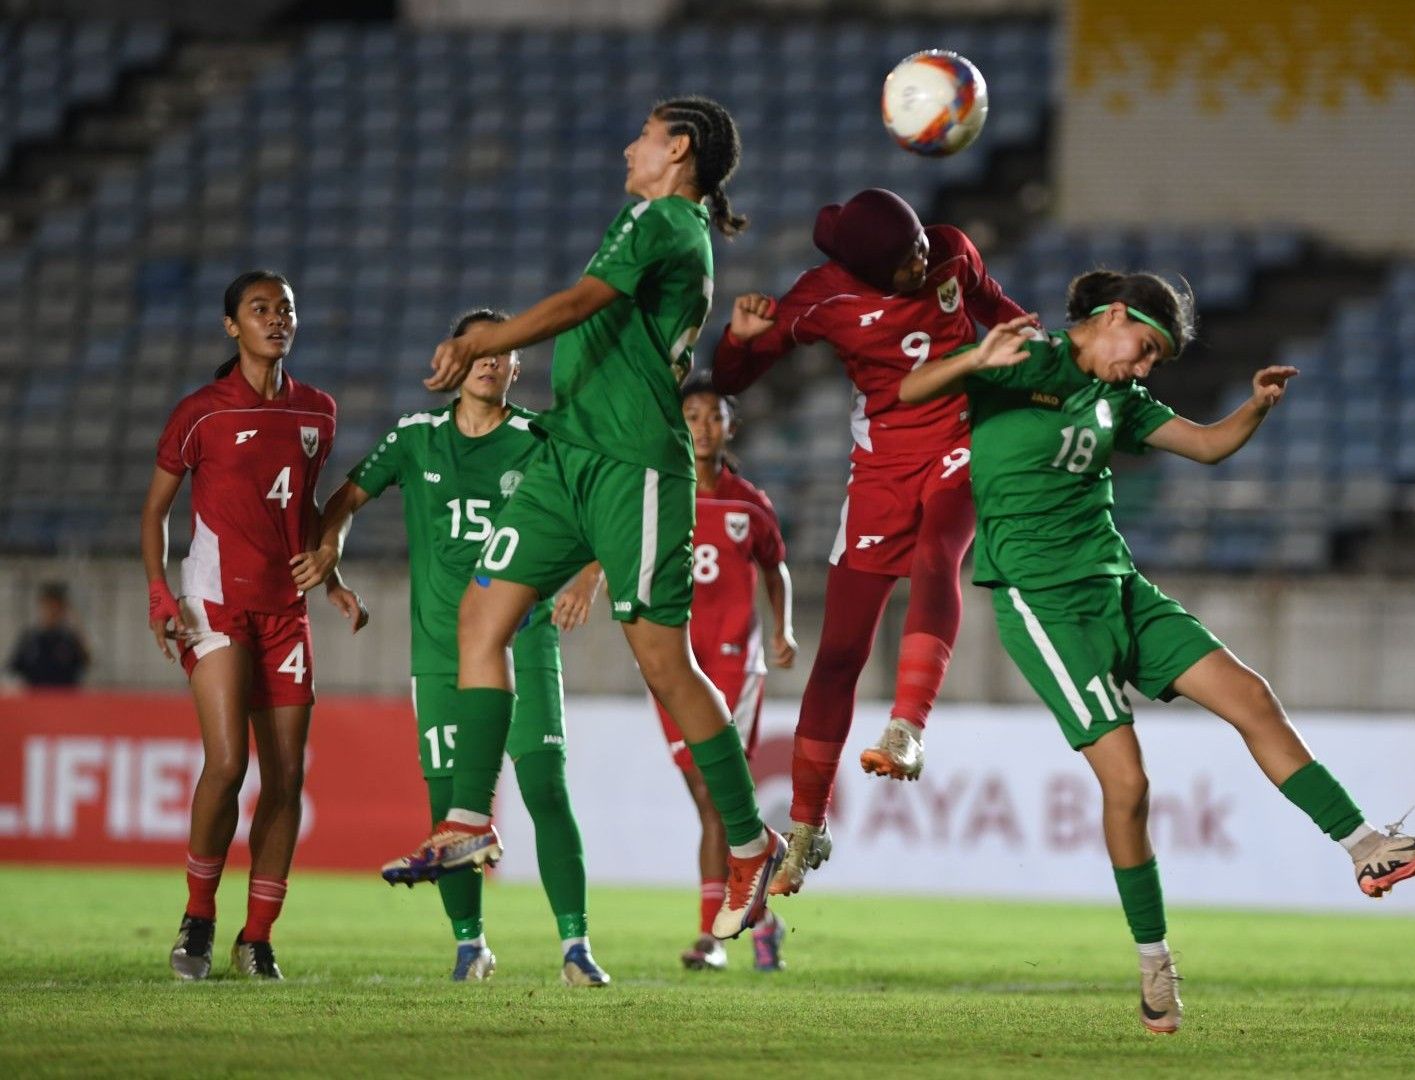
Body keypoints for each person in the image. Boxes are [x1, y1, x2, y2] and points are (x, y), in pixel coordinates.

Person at [898, 270, 1415, 1034]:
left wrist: (1256, 408)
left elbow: (1205, 446)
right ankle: (1154, 964)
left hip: (1120, 586)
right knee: (1128, 785)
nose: (1143, 368)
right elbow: (908, 393)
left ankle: (1366, 847)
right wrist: (971, 360)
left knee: (1252, 697)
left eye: (1155, 362)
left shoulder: (1119, 400)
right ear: (1114, 316)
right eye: (1145, 350)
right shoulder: (1021, 360)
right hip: (1045, 605)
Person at [380, 96, 786, 942]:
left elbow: (576, 303)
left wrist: (482, 341)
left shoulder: (668, 225)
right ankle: (467, 819)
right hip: (568, 453)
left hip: (632, 460)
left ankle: (751, 843)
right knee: (480, 616)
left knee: (663, 664)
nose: (627, 144)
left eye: (642, 133)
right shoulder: (647, 218)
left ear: (679, 149)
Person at [712, 187, 1029, 894]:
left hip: (962, 437)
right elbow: (734, 378)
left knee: (939, 551)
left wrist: (1031, 346)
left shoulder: (951, 250)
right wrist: (738, 336)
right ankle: (804, 827)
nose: (922, 260)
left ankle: (906, 729)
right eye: (905, 258)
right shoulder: (824, 297)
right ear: (868, 269)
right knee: (840, 654)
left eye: (920, 244)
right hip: (881, 467)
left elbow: (1002, 314)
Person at [296, 309, 609, 985]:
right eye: (481, 350)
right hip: (439, 651)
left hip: (523, 641)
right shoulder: (415, 438)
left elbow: (602, 505)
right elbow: (344, 499)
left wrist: (588, 575)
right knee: (448, 815)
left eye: (504, 353)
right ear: (458, 360)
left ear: (517, 366)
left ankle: (576, 947)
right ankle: (470, 946)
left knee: (544, 790)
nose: (492, 362)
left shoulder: (539, 437)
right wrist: (330, 556)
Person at [141, 270, 366, 981]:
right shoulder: (200, 413)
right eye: (259, 309)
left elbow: (301, 509)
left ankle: (257, 935)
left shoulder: (318, 413)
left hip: (284, 611)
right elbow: (155, 512)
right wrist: (159, 595)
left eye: (285, 309)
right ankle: (199, 917)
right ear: (231, 326)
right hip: (214, 602)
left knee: (287, 777)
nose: (275, 319)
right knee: (229, 764)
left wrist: (329, 574)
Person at [665, 378, 797, 973]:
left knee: (715, 800)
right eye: (691, 416)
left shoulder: (748, 502)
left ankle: (711, 936)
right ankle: (764, 915)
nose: (702, 427)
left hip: (733, 665)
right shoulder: (661, 494)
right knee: (706, 799)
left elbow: (776, 569)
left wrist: (782, 629)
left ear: (730, 428)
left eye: (713, 417)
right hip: (671, 662)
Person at [8, 582, 90, 687]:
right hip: (35, 698)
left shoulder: (70, 638)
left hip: (64, 699)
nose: (52, 611)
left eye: (56, 607)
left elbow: (86, 662)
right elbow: (14, 668)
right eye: (48, 606)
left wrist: (78, 628)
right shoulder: (29, 638)